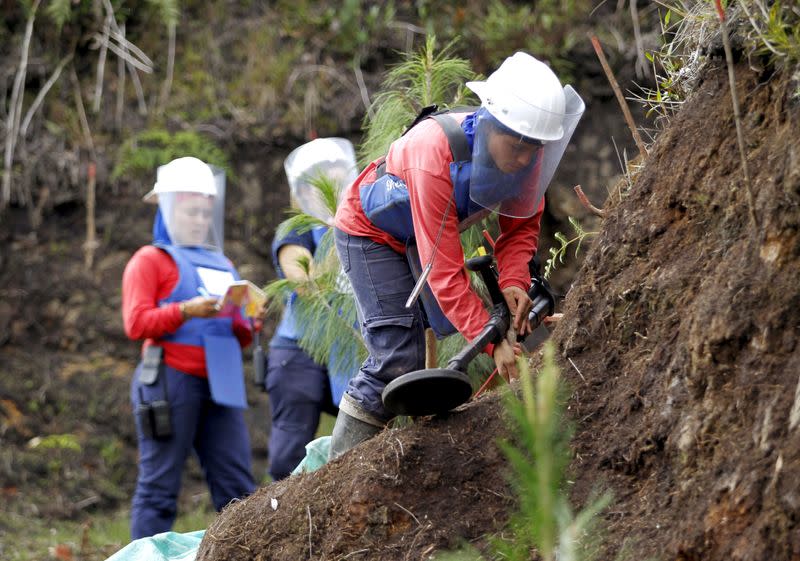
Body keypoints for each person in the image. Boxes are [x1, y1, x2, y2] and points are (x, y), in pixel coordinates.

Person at [330, 52, 585, 458]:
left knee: (445, 340)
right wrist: (492, 344)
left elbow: (520, 229)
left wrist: (514, 281)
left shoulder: (527, 156)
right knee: (398, 357)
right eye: (516, 145)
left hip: (420, 236)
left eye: (534, 148)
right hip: (370, 234)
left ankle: (414, 453)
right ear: (488, 122)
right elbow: (445, 274)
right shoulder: (434, 155)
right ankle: (337, 471)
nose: (523, 158)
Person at [121, 156, 256, 539]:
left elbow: (238, 332)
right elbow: (136, 323)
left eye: (205, 213)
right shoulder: (150, 260)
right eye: (191, 212)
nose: (200, 220)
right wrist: (184, 311)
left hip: (223, 383)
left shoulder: (223, 263)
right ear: (167, 210)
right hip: (170, 381)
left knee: (238, 491)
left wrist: (249, 319)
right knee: (159, 488)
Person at [265, 138, 359, 480]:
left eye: (338, 179)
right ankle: (279, 513)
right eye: (321, 182)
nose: (332, 188)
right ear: (303, 191)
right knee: (289, 450)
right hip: (299, 350)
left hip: (352, 342)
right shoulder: (297, 230)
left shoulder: (366, 220)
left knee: (359, 442)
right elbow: (304, 283)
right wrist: (339, 238)